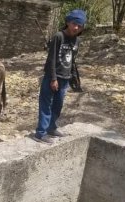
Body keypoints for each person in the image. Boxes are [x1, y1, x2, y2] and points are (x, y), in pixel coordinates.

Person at [33, 9, 87, 144]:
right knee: (46, 104)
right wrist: (53, 78)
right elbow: (51, 59)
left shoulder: (77, 41)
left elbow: (72, 61)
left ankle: (51, 128)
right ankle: (41, 133)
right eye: (74, 24)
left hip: (65, 78)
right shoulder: (59, 36)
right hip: (52, 77)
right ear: (68, 22)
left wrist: (74, 78)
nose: (76, 28)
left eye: (79, 26)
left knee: (58, 105)